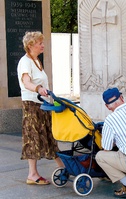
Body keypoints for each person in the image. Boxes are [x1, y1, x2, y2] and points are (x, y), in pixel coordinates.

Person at [17, 31, 64, 185]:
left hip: (42, 104)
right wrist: (38, 88)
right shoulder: (26, 61)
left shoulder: (36, 61)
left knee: (49, 136)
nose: (43, 45)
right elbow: (26, 82)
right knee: (33, 138)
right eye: (40, 43)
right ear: (31, 45)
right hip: (32, 104)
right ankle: (32, 174)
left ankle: (64, 167)